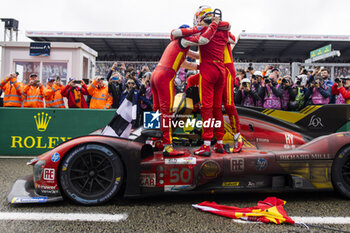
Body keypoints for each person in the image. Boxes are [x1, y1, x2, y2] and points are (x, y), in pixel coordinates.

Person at [152, 17, 220, 157]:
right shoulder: (183, 40)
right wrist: (211, 25)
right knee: (167, 112)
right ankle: (167, 146)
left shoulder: (174, 45)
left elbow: (185, 64)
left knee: (156, 110)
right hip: (165, 76)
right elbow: (203, 40)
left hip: (155, 75)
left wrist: (203, 67)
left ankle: (155, 140)